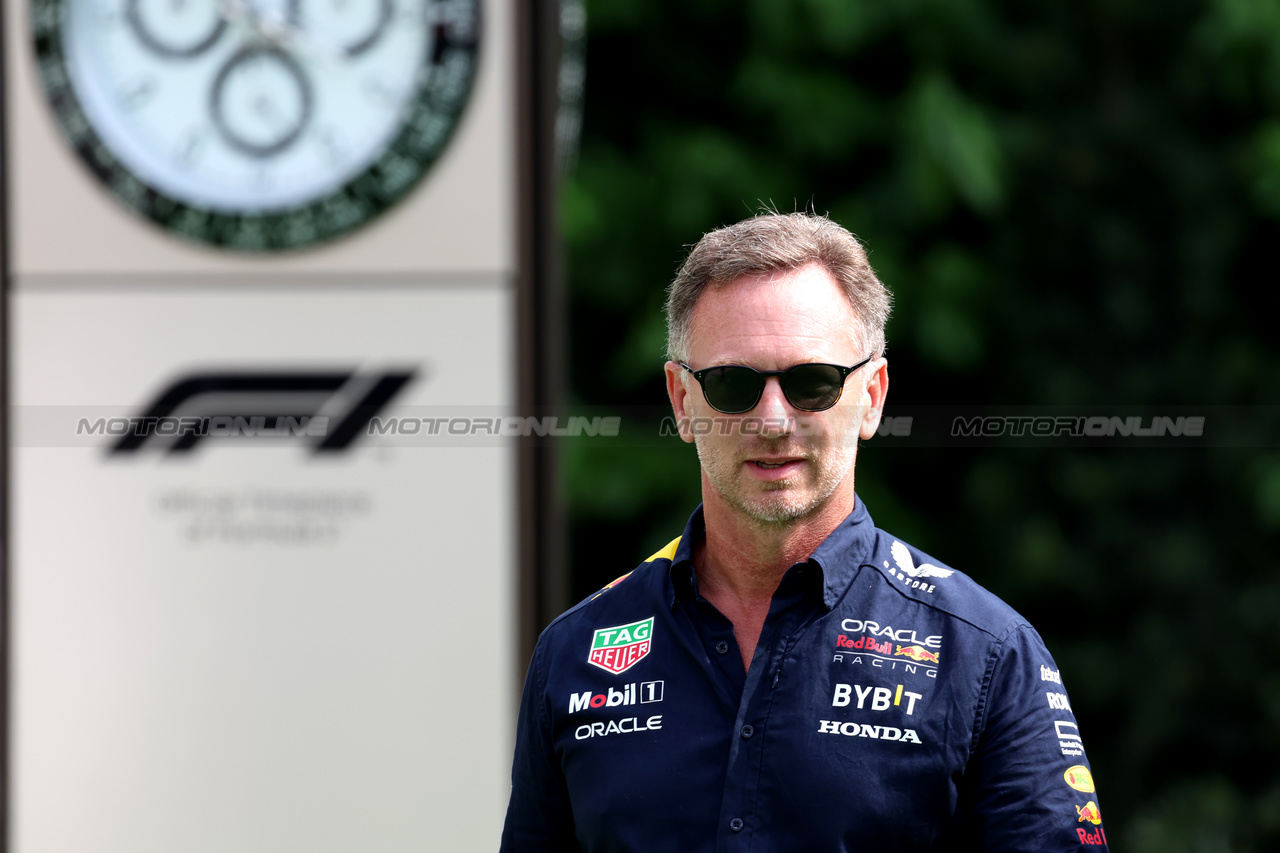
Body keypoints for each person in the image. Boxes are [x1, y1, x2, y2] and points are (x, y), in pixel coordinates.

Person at [500, 212, 1109, 852]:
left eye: (811, 383)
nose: (771, 419)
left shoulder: (986, 652)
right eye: (732, 384)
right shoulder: (573, 653)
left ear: (872, 396)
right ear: (682, 402)